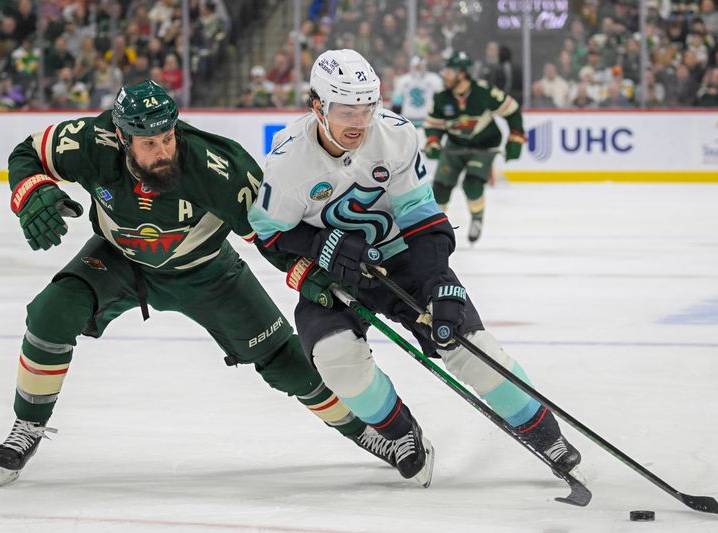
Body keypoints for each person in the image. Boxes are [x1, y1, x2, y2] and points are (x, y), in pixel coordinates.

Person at [0, 80, 400, 487]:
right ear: (121, 136)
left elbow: (270, 232)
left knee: (283, 361)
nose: (163, 151)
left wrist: (306, 271)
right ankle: (28, 425)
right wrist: (32, 191)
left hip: (207, 271)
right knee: (51, 312)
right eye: (148, 143)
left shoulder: (217, 166)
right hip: (118, 259)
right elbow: (28, 152)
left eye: (167, 137)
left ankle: (365, 430)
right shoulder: (90, 141)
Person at [248, 49, 582, 489]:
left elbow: (421, 217)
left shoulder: (396, 135)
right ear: (317, 107)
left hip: (403, 258)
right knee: (334, 357)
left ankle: (544, 433)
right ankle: (401, 431)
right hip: (336, 273)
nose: (359, 122)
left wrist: (439, 281)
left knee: (468, 344)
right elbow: (268, 233)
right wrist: (319, 245)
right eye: (346, 111)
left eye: (367, 108)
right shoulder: (288, 160)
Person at [423, 51, 526, 244]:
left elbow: (512, 111)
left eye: (449, 71)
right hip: (455, 145)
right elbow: (434, 125)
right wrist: (433, 141)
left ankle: (477, 219)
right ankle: (434, 229)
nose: (445, 75)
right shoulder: (442, 97)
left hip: (485, 145)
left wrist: (516, 137)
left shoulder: (483, 91)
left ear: (462, 73)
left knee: (472, 184)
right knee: (440, 189)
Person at [391, 56, 443, 128]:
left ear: (425, 67)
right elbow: (397, 103)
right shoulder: (403, 80)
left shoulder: (434, 79)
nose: (418, 69)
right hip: (407, 120)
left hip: (427, 121)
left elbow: (440, 99)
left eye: (420, 67)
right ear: (411, 67)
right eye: (416, 67)